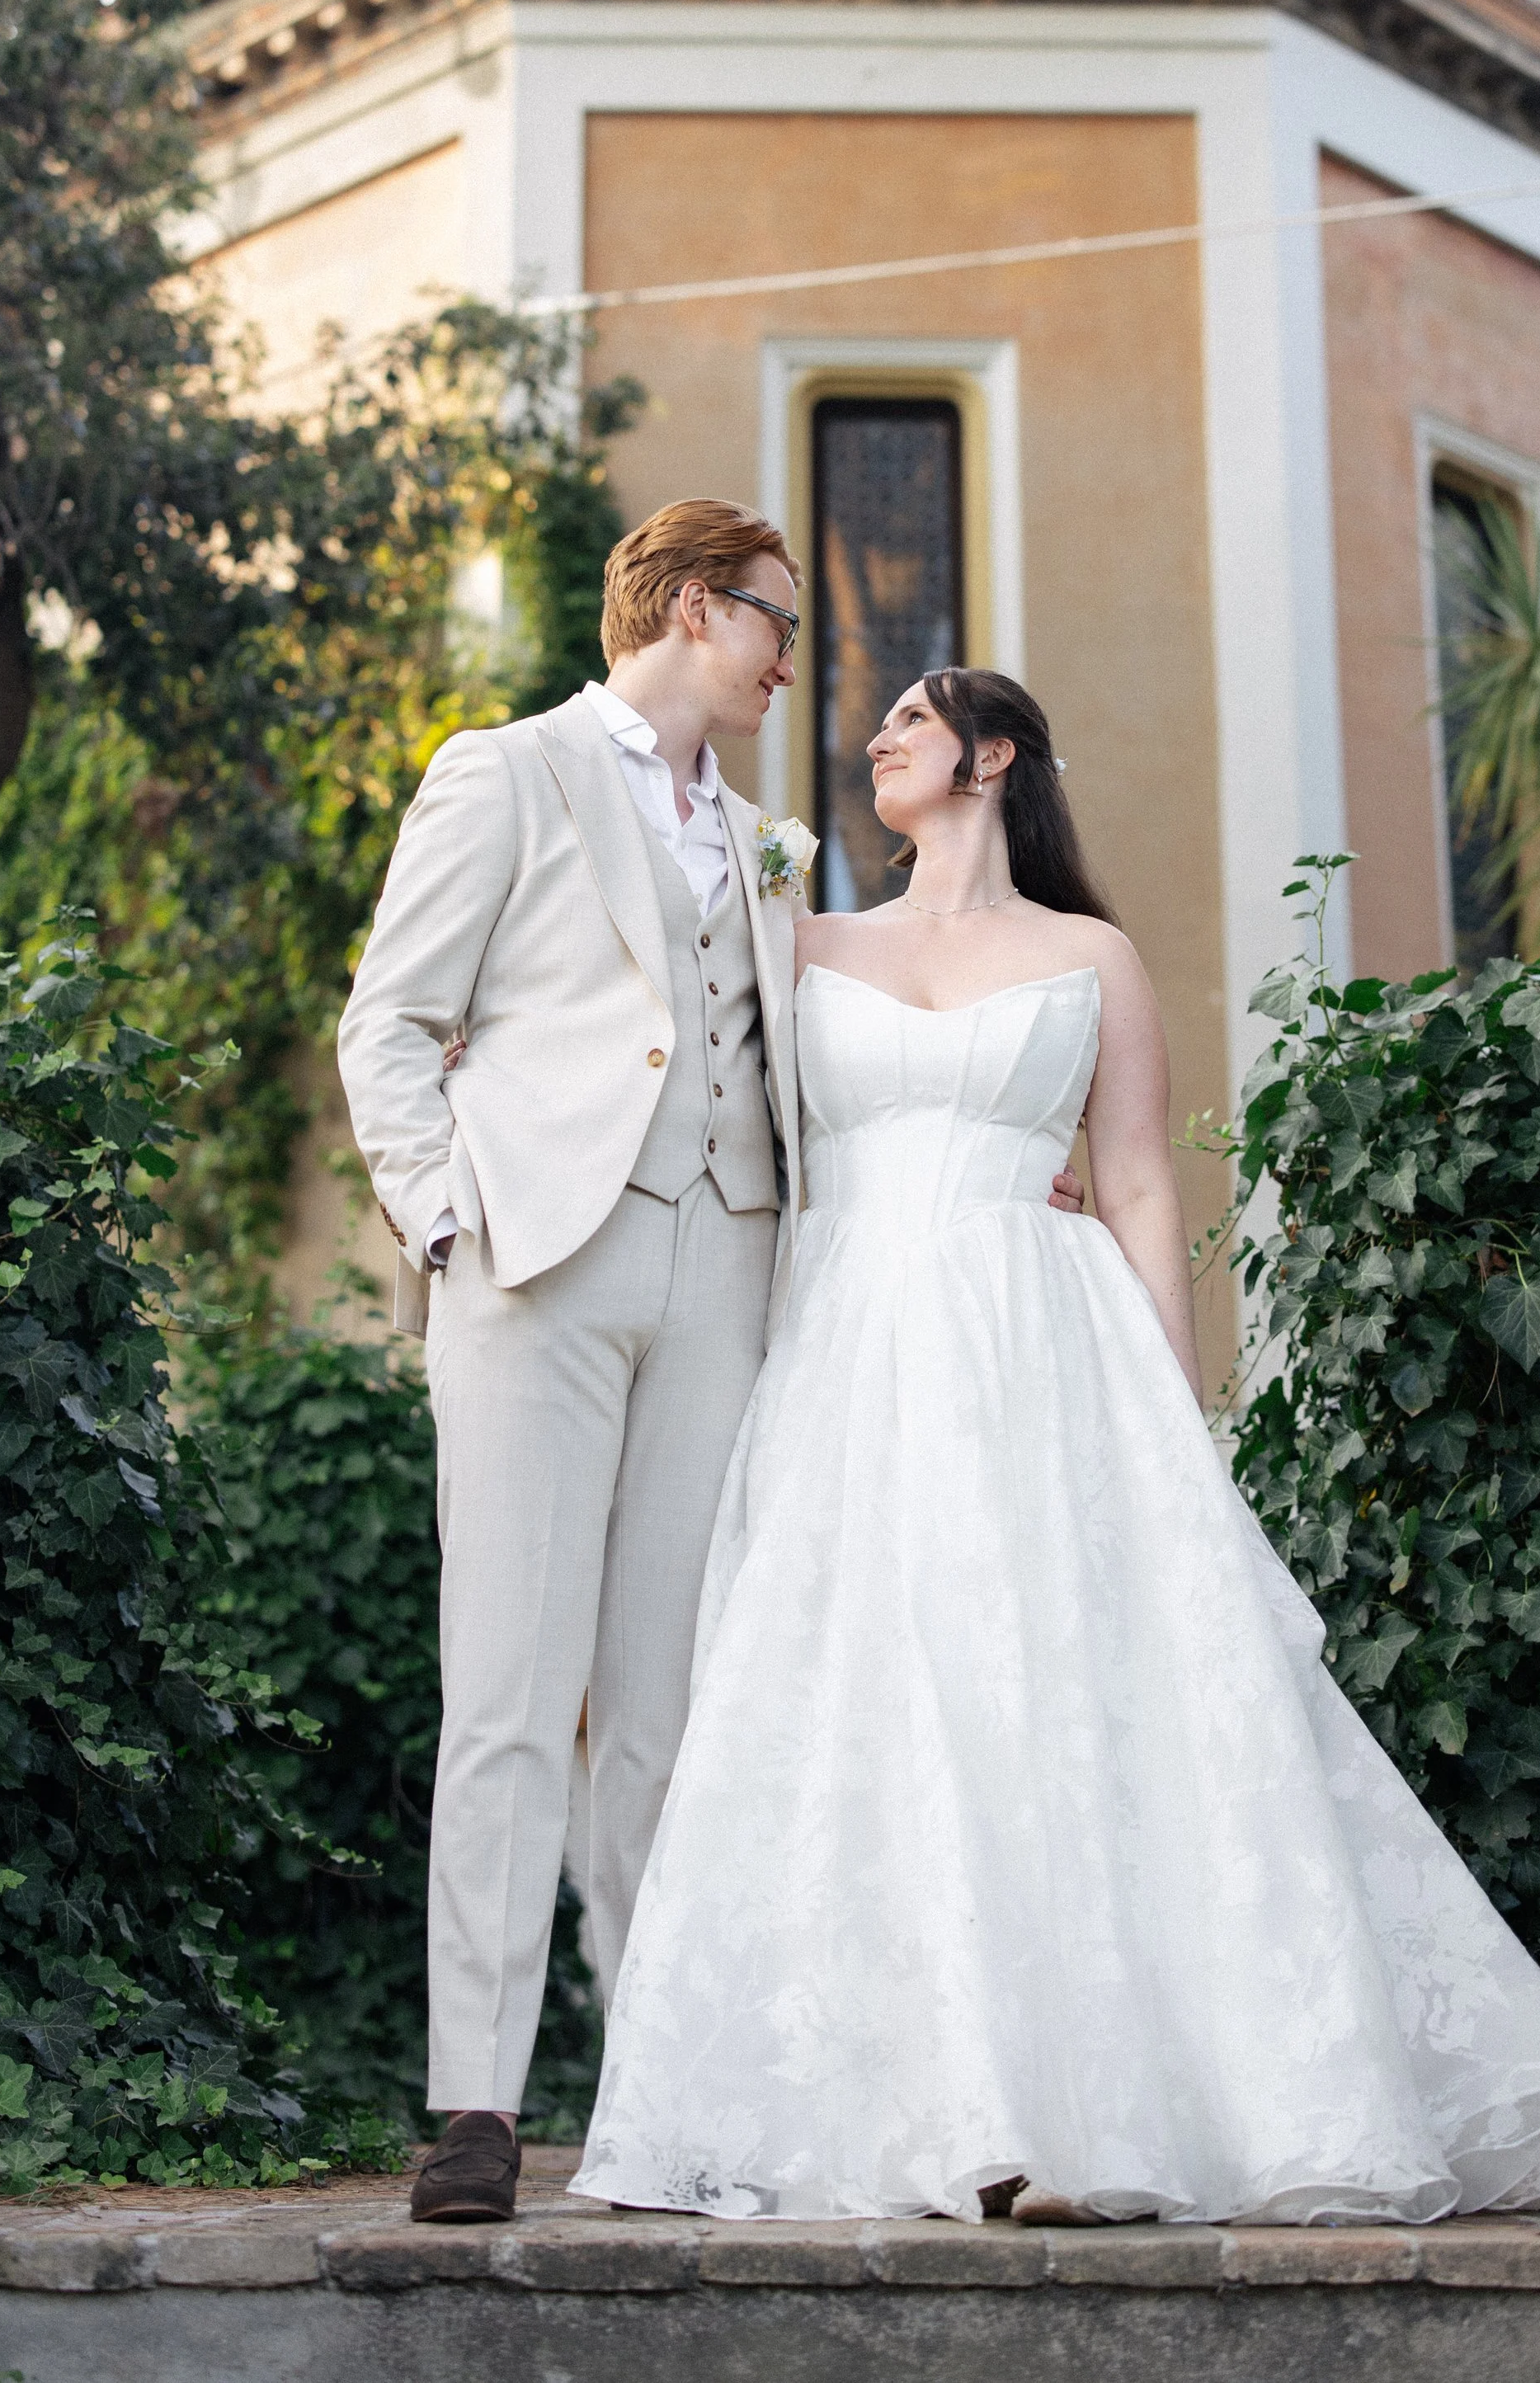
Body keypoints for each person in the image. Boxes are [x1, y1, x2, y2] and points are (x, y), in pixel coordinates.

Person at [572, 666, 1540, 2225]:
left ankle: (1090, 2118)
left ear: (994, 756)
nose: (881, 742)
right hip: (850, 1363)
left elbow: (1136, 1185)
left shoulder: (1094, 957)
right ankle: (935, 2108)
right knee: (880, 1703)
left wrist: (1180, 1420)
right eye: (880, 731)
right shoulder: (804, 941)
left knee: (1058, 1699)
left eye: (914, 723)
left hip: (1043, 1356)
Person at [337, 506, 1086, 2224]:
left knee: (672, 1714)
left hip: (729, 1272)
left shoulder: (772, 843)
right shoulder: (504, 773)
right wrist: (446, 1217)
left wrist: (987, 1138)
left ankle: (653, 2093)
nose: (786, 659)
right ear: (695, 609)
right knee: (511, 1698)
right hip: (535, 1262)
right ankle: (474, 2104)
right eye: (771, 623)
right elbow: (387, 1019)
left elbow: (841, 1033)